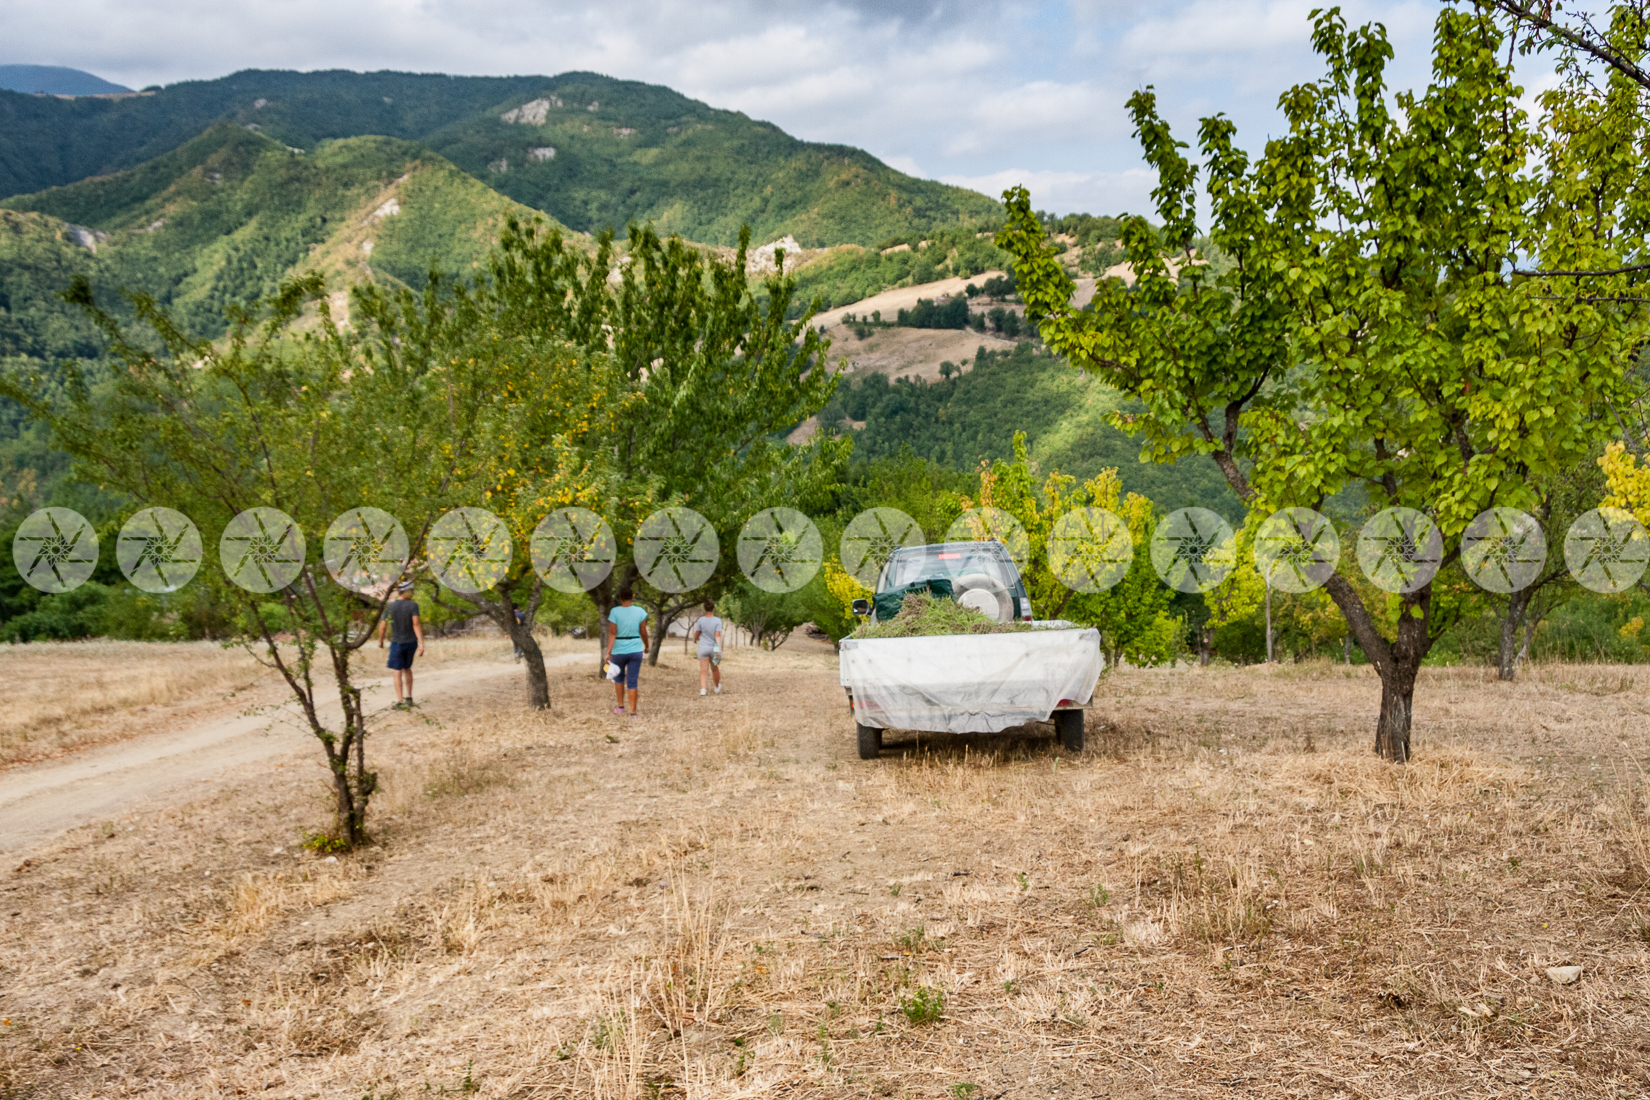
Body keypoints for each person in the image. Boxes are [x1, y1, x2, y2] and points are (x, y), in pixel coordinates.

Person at [377, 580, 425, 708]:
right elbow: (416, 624)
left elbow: (383, 625)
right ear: (406, 592)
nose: (413, 594)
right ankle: (409, 697)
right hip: (411, 642)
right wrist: (421, 643)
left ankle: (400, 701)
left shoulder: (389, 606)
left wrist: (380, 640)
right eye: (412, 591)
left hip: (397, 642)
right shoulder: (413, 606)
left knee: (397, 671)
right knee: (407, 668)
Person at [604, 586, 650, 717]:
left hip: (618, 649)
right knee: (632, 680)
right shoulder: (640, 611)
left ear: (619, 597)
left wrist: (608, 652)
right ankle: (633, 713)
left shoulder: (614, 612)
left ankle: (620, 706)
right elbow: (643, 632)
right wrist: (647, 646)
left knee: (619, 677)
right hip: (635, 649)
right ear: (632, 597)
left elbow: (612, 633)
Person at [691, 598, 723, 696]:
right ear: (713, 608)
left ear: (704, 609)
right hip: (714, 648)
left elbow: (697, 632)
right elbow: (718, 635)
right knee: (715, 668)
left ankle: (703, 690)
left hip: (703, 648)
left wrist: (695, 639)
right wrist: (719, 648)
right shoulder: (717, 620)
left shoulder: (701, 620)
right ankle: (716, 686)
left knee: (703, 670)